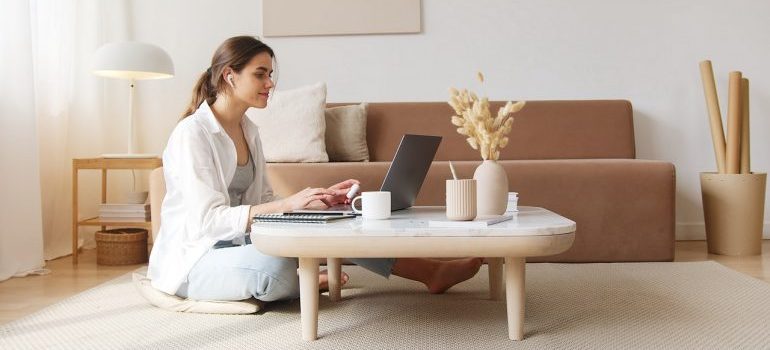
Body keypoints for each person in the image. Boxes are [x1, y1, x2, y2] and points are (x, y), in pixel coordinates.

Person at [147, 36, 482, 302]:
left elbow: (264, 199)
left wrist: (313, 203)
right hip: (196, 258)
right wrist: (288, 205)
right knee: (274, 265)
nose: (270, 83)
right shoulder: (193, 134)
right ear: (229, 76)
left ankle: (431, 272)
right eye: (260, 74)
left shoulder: (249, 130)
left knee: (338, 224)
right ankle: (300, 280)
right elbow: (208, 221)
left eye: (270, 74)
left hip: (241, 242)